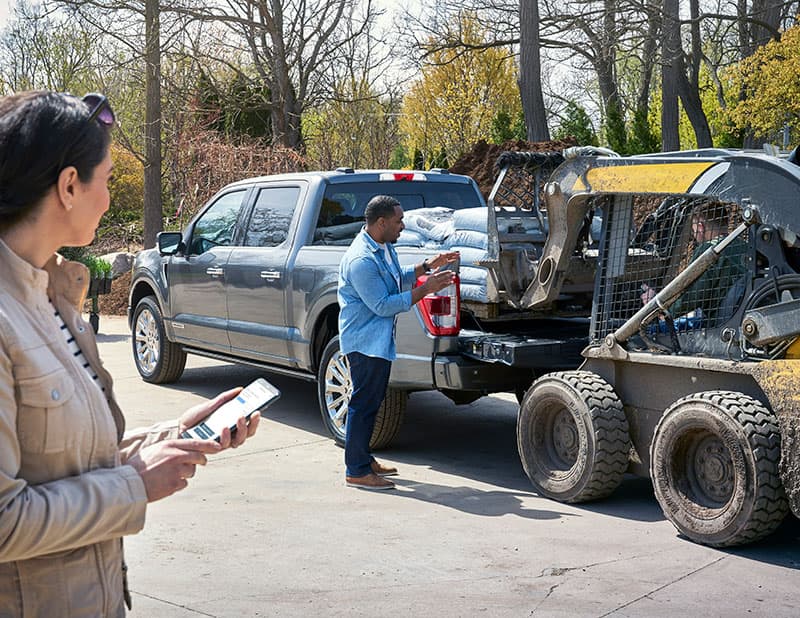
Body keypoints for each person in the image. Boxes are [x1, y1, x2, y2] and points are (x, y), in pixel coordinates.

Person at [0, 91, 260, 616]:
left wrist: (175, 435)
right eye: (109, 178)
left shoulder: (52, 294)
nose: (109, 198)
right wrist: (134, 485)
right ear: (69, 185)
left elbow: (63, 463)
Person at [338, 195, 459, 490]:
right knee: (363, 404)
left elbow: (395, 278)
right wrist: (426, 289)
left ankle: (364, 458)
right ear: (381, 222)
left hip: (377, 341)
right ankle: (356, 470)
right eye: (398, 220)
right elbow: (382, 304)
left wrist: (426, 267)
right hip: (364, 342)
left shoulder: (383, 247)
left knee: (372, 402)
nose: (403, 226)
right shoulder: (361, 260)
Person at [641, 200, 748, 326]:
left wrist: (660, 308)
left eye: (693, 229)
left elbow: (691, 297)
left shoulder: (708, 251)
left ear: (700, 227)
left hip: (718, 324)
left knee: (660, 330)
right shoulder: (744, 247)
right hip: (740, 317)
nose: (694, 236)